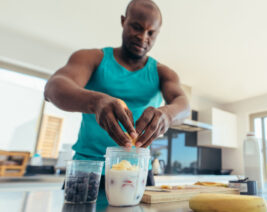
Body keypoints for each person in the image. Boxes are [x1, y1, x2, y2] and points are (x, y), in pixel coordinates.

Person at [44, 0, 190, 187]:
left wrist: (168, 116)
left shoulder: (163, 72)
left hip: (137, 172)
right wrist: (95, 101)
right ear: (123, 21)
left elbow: (183, 104)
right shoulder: (93, 58)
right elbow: (53, 88)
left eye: (151, 33)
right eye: (136, 27)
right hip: (88, 170)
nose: (143, 37)